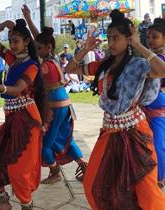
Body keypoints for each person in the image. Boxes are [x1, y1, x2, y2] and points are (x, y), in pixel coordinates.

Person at [65, 10, 165, 209]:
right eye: (109, 37)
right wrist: (85, 49)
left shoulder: (138, 65)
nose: (111, 43)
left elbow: (162, 70)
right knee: (94, 183)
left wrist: (137, 44)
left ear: (127, 39)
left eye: (116, 38)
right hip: (109, 133)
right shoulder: (104, 66)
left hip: (135, 133)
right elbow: (69, 70)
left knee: (146, 191)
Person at [21, 4, 88, 184]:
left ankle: (54, 171)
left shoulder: (43, 65)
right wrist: (28, 19)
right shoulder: (56, 57)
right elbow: (39, 39)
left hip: (54, 107)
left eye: (40, 48)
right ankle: (83, 164)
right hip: (65, 103)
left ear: (48, 48)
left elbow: (39, 41)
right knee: (65, 137)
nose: (37, 50)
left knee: (45, 141)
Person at [0, 18, 45, 210]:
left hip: (27, 119)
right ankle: (4, 203)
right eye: (10, 41)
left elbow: (18, 89)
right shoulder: (11, 58)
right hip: (12, 117)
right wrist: (4, 25)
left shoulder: (32, 66)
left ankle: (27, 204)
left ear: (26, 42)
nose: (11, 45)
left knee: (19, 170)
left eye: (16, 41)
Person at [143, 18, 165, 189]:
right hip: (145, 109)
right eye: (148, 36)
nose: (150, 40)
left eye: (155, 37)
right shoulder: (150, 57)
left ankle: (159, 180)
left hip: (158, 110)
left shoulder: (158, 59)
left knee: (158, 145)